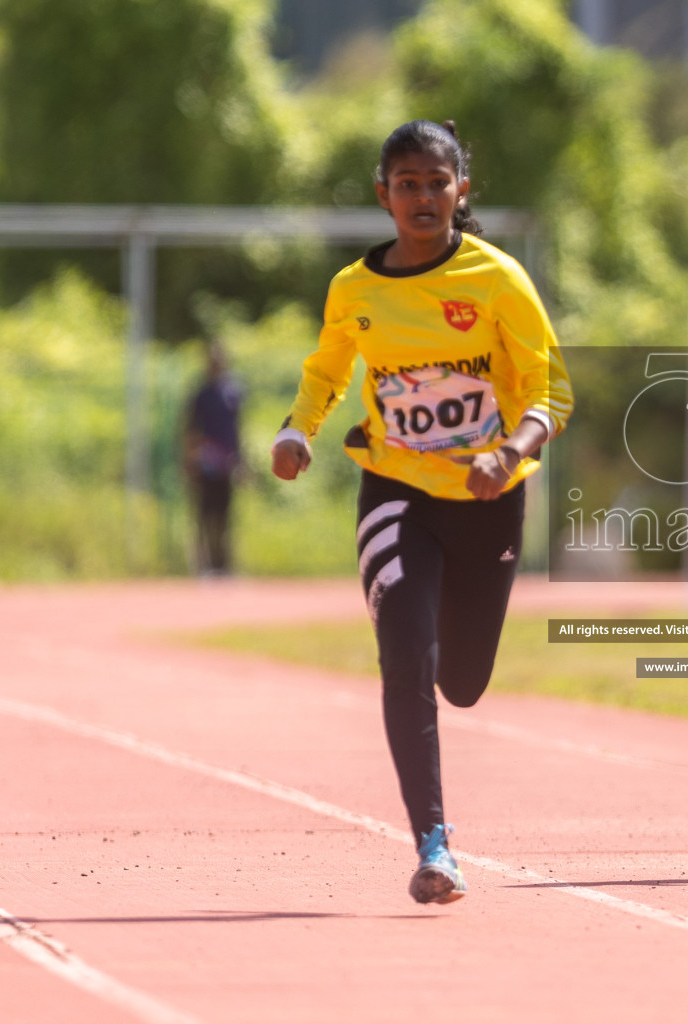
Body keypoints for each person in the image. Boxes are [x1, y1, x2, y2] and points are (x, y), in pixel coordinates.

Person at [271, 119, 572, 904]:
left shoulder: (497, 279)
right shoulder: (354, 289)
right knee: (407, 655)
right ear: (384, 195)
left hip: (488, 497)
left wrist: (508, 452)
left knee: (463, 681)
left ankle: (441, 632)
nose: (423, 197)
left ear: (460, 190)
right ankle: (434, 844)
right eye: (407, 184)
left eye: (437, 183)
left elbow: (552, 391)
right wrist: (297, 430)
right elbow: (327, 371)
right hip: (394, 489)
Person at [184, 345, 244, 575]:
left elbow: (237, 428)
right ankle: (204, 564)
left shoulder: (233, 392)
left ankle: (224, 565)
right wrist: (190, 461)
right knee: (205, 514)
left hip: (226, 462)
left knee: (225, 515)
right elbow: (190, 429)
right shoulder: (201, 393)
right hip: (206, 461)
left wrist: (241, 460)